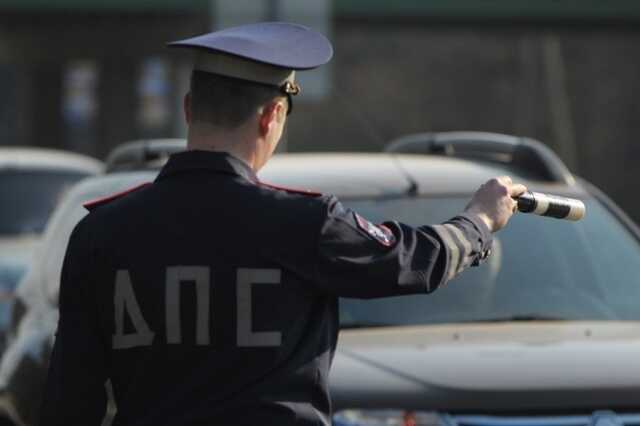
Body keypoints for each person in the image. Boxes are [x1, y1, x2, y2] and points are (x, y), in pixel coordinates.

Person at [39, 22, 526, 426]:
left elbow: (68, 401)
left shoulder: (101, 233)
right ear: (272, 116)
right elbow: (416, 261)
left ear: (189, 109)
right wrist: (480, 219)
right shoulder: (304, 224)